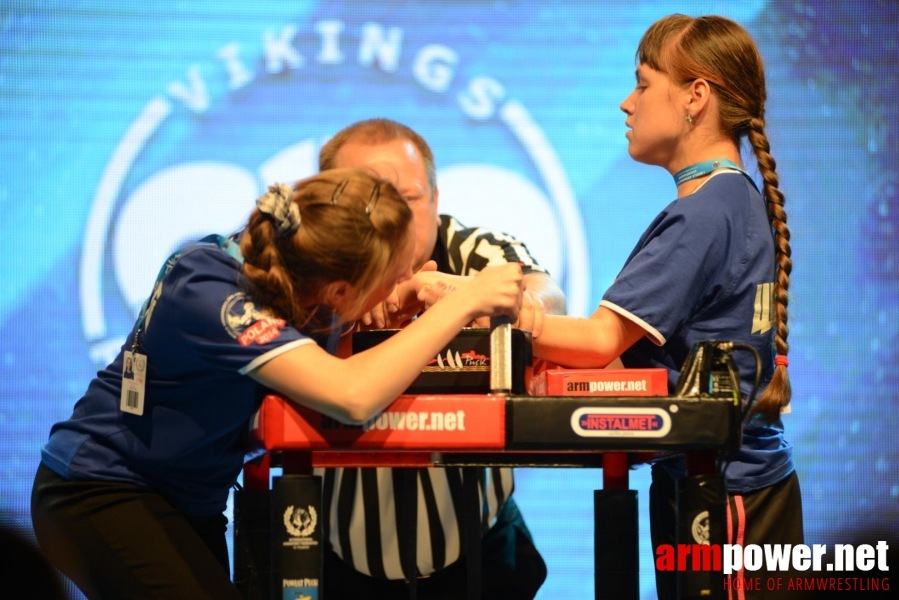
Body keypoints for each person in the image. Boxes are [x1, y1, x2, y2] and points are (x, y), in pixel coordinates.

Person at [31, 168, 524, 600]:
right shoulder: (208, 289)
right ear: (339, 290)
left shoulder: (299, 288)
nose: (401, 285)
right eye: (394, 276)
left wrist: (406, 297)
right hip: (98, 490)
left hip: (183, 501)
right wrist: (465, 301)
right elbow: (352, 395)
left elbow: (337, 365)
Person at [520, 14, 802, 599]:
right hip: (706, 482)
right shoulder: (725, 199)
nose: (627, 103)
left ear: (696, 96)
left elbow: (601, 341)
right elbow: (639, 358)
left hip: (726, 495)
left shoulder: (704, 211)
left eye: (643, 83)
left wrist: (490, 312)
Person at [313, 118, 566, 598]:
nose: (390, 221)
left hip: (481, 545)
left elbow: (546, 297)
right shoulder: (311, 268)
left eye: (406, 200)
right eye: (366, 202)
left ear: (435, 199)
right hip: (336, 548)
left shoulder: (475, 251)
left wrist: (449, 294)